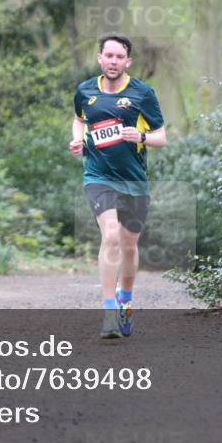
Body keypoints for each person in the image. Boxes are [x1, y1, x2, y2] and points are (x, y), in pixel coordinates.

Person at [70, 33, 166, 338]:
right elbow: (79, 119)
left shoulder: (142, 93)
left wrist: (140, 137)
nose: (113, 61)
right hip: (98, 177)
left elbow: (162, 137)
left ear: (128, 61)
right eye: (108, 56)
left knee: (128, 245)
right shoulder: (85, 90)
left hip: (134, 180)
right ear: (100, 58)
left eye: (119, 57)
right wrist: (77, 140)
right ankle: (109, 309)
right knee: (110, 236)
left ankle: (126, 299)